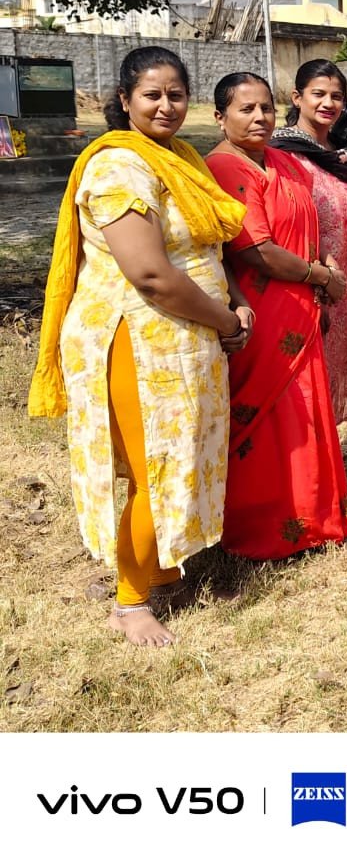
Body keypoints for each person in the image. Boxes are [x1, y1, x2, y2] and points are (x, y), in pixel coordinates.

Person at [29, 47, 250, 646]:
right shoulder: (119, 169)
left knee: (180, 458)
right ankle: (130, 603)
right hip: (137, 338)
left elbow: (206, 246)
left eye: (176, 94)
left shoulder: (178, 158)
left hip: (183, 336)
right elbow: (150, 274)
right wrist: (224, 321)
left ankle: (159, 569)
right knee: (156, 466)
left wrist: (234, 306)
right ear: (124, 101)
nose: (166, 106)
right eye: (152, 95)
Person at [205, 72, 347, 559]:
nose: (259, 117)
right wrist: (320, 275)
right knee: (266, 420)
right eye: (246, 109)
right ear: (220, 117)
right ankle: (260, 530)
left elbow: (309, 227)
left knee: (303, 412)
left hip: (302, 305)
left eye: (266, 108)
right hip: (261, 310)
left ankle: (312, 520)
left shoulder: (285, 162)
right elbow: (255, 250)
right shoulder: (224, 167)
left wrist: (323, 273)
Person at [270, 60, 347, 424]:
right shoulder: (282, 154)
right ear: (297, 97)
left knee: (334, 373)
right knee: (304, 382)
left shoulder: (340, 154)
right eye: (318, 94)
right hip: (308, 279)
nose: (328, 103)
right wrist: (318, 279)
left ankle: (329, 454)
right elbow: (282, 223)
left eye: (336, 96)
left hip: (346, 283)